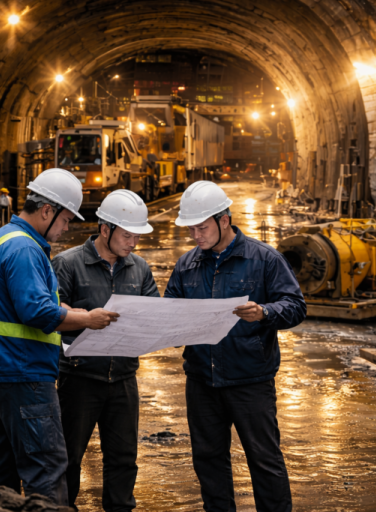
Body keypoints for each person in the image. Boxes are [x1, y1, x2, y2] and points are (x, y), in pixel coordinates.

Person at [0, 168, 119, 506]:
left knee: (2, 468)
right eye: (65, 220)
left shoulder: (2, 238)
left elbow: (14, 302)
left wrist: (62, 308)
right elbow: (36, 312)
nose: (66, 228)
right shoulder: (26, 248)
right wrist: (87, 319)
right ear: (47, 211)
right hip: (22, 371)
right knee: (46, 468)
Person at [165, 181, 306, 511]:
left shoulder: (264, 259)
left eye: (201, 228)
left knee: (264, 460)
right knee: (208, 460)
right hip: (202, 380)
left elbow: (296, 306)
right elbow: (170, 308)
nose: (196, 236)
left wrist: (264, 312)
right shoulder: (187, 264)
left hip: (250, 381)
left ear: (224, 220)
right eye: (191, 230)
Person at [53, 190, 158, 511]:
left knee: (124, 458)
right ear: (104, 229)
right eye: (127, 235)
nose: (133, 243)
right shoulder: (68, 263)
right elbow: (50, 311)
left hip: (124, 378)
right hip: (79, 378)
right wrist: (84, 317)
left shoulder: (139, 268)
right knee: (68, 457)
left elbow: (153, 312)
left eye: (137, 237)